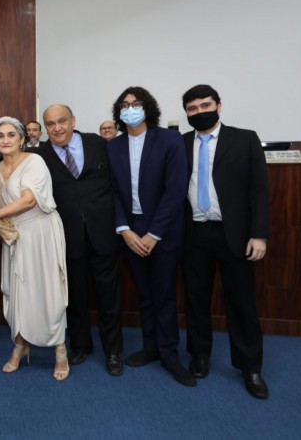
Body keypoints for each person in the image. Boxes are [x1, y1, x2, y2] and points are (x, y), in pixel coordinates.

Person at [181, 84, 270, 399]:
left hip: (235, 235)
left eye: (205, 105)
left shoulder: (244, 139)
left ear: (219, 105)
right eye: (192, 108)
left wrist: (259, 234)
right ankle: (200, 356)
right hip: (193, 233)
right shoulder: (180, 143)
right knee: (196, 300)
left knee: (242, 303)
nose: (199, 112)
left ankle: (251, 368)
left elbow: (259, 190)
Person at [106, 86, 194, 386]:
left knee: (165, 294)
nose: (130, 108)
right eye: (125, 105)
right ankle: (151, 347)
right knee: (145, 295)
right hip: (130, 231)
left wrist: (154, 233)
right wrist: (125, 230)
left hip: (164, 230)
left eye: (136, 103)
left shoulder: (169, 140)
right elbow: (114, 192)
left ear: (148, 107)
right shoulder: (114, 146)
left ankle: (170, 354)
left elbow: (176, 190)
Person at [0, 117, 69, 380]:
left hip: (40, 232)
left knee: (48, 292)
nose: (5, 140)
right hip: (14, 237)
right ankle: (20, 344)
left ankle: (60, 350)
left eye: (11, 135)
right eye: (0, 136)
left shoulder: (35, 162)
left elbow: (27, 201)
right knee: (18, 293)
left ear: (22, 139)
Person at [38, 104, 124, 376]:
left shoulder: (99, 144)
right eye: (50, 124)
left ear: (73, 121)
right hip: (66, 236)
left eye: (62, 121)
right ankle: (80, 345)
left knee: (108, 295)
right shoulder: (39, 155)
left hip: (103, 233)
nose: (57, 128)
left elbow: (117, 184)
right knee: (74, 294)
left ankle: (113, 351)